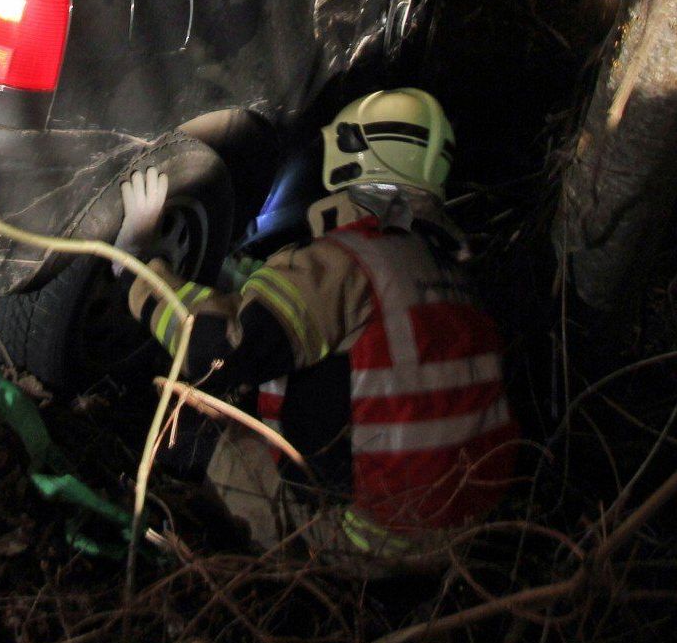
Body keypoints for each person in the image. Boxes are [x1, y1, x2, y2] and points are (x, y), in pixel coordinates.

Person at [115, 89, 518, 560]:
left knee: (185, 431)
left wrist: (141, 269)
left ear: (353, 158)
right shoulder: (455, 276)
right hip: (456, 542)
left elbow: (219, 350)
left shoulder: (353, 261)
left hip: (358, 542)